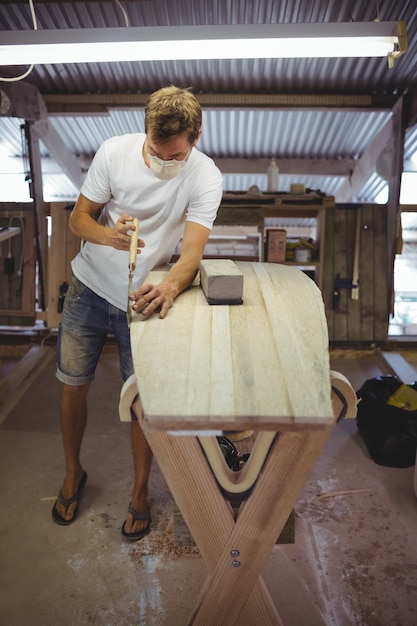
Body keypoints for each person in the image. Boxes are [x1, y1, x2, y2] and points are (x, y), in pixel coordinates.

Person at [52, 85, 223, 540]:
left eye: (175, 156)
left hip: (144, 294)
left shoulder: (205, 176)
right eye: (156, 152)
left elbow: (191, 255)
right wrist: (108, 235)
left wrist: (168, 285)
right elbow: (78, 220)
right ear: (144, 131)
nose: (164, 163)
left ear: (196, 138)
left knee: (141, 404)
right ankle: (73, 473)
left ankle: (141, 491)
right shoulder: (114, 152)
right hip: (89, 286)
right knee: (73, 387)